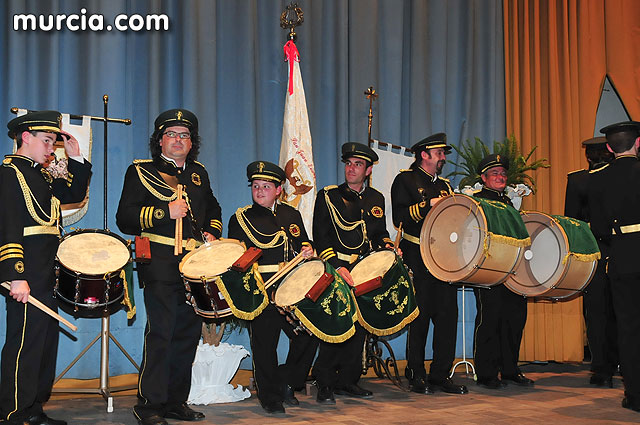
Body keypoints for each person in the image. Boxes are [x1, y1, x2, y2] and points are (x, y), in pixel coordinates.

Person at [116, 109, 222, 425]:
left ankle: (176, 402)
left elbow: (213, 207)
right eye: (172, 134)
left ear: (192, 143)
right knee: (161, 333)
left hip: (194, 266)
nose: (178, 140)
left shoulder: (198, 174)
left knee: (187, 336)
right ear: (160, 140)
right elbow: (125, 218)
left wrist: (212, 230)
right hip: (160, 264)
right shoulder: (140, 171)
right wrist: (166, 211)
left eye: (184, 135)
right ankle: (149, 406)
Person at [0, 110, 92, 425]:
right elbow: (8, 227)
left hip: (46, 274)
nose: (52, 148)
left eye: (54, 141)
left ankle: (33, 407)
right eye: (47, 140)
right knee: (23, 343)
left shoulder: (41, 175)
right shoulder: (9, 174)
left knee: (43, 345)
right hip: (26, 274)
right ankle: (12, 412)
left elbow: (74, 194)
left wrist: (77, 159)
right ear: (26, 137)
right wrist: (15, 276)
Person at [227, 161, 317, 415]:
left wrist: (308, 249)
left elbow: (304, 242)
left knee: (308, 335)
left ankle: (286, 382)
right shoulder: (241, 218)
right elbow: (236, 256)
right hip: (261, 288)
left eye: (266, 186)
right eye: (256, 186)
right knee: (265, 345)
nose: (259, 191)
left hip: (292, 288)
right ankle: (270, 397)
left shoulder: (291, 215)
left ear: (278, 189)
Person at [312, 142, 395, 403]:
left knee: (360, 327)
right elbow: (321, 235)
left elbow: (379, 233)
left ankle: (348, 381)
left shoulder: (376, 199)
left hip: (365, 269)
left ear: (368, 170)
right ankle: (324, 382)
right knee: (335, 324)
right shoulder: (329, 196)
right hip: (338, 268)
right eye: (348, 163)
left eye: (358, 164)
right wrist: (337, 266)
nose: (351, 168)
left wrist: (389, 247)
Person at [390, 133, 467, 395]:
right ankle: (415, 373)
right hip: (418, 256)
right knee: (420, 318)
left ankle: (440, 375)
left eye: (444, 154)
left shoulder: (445, 185)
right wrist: (427, 204)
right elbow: (399, 217)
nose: (443, 158)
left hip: (444, 259)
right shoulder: (405, 180)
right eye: (439, 153)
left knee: (447, 318)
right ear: (424, 154)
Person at [587, 121, 640, 413]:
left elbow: (599, 228)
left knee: (629, 328)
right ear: (638, 142)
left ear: (608, 148)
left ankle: (634, 394)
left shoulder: (597, 180)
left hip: (622, 257)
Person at [471, 154, 533, 389]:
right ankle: (486, 373)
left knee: (514, 320)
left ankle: (510, 370)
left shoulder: (509, 204)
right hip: (488, 270)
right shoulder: (476, 202)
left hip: (512, 272)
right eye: (495, 173)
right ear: (484, 178)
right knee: (489, 320)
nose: (500, 177)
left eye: (503, 174)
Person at [564, 137, 617, 387]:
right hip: (616, 251)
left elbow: (572, 223)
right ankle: (617, 364)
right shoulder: (620, 176)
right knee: (617, 312)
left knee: (597, 313)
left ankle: (602, 369)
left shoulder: (577, 180)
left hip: (593, 253)